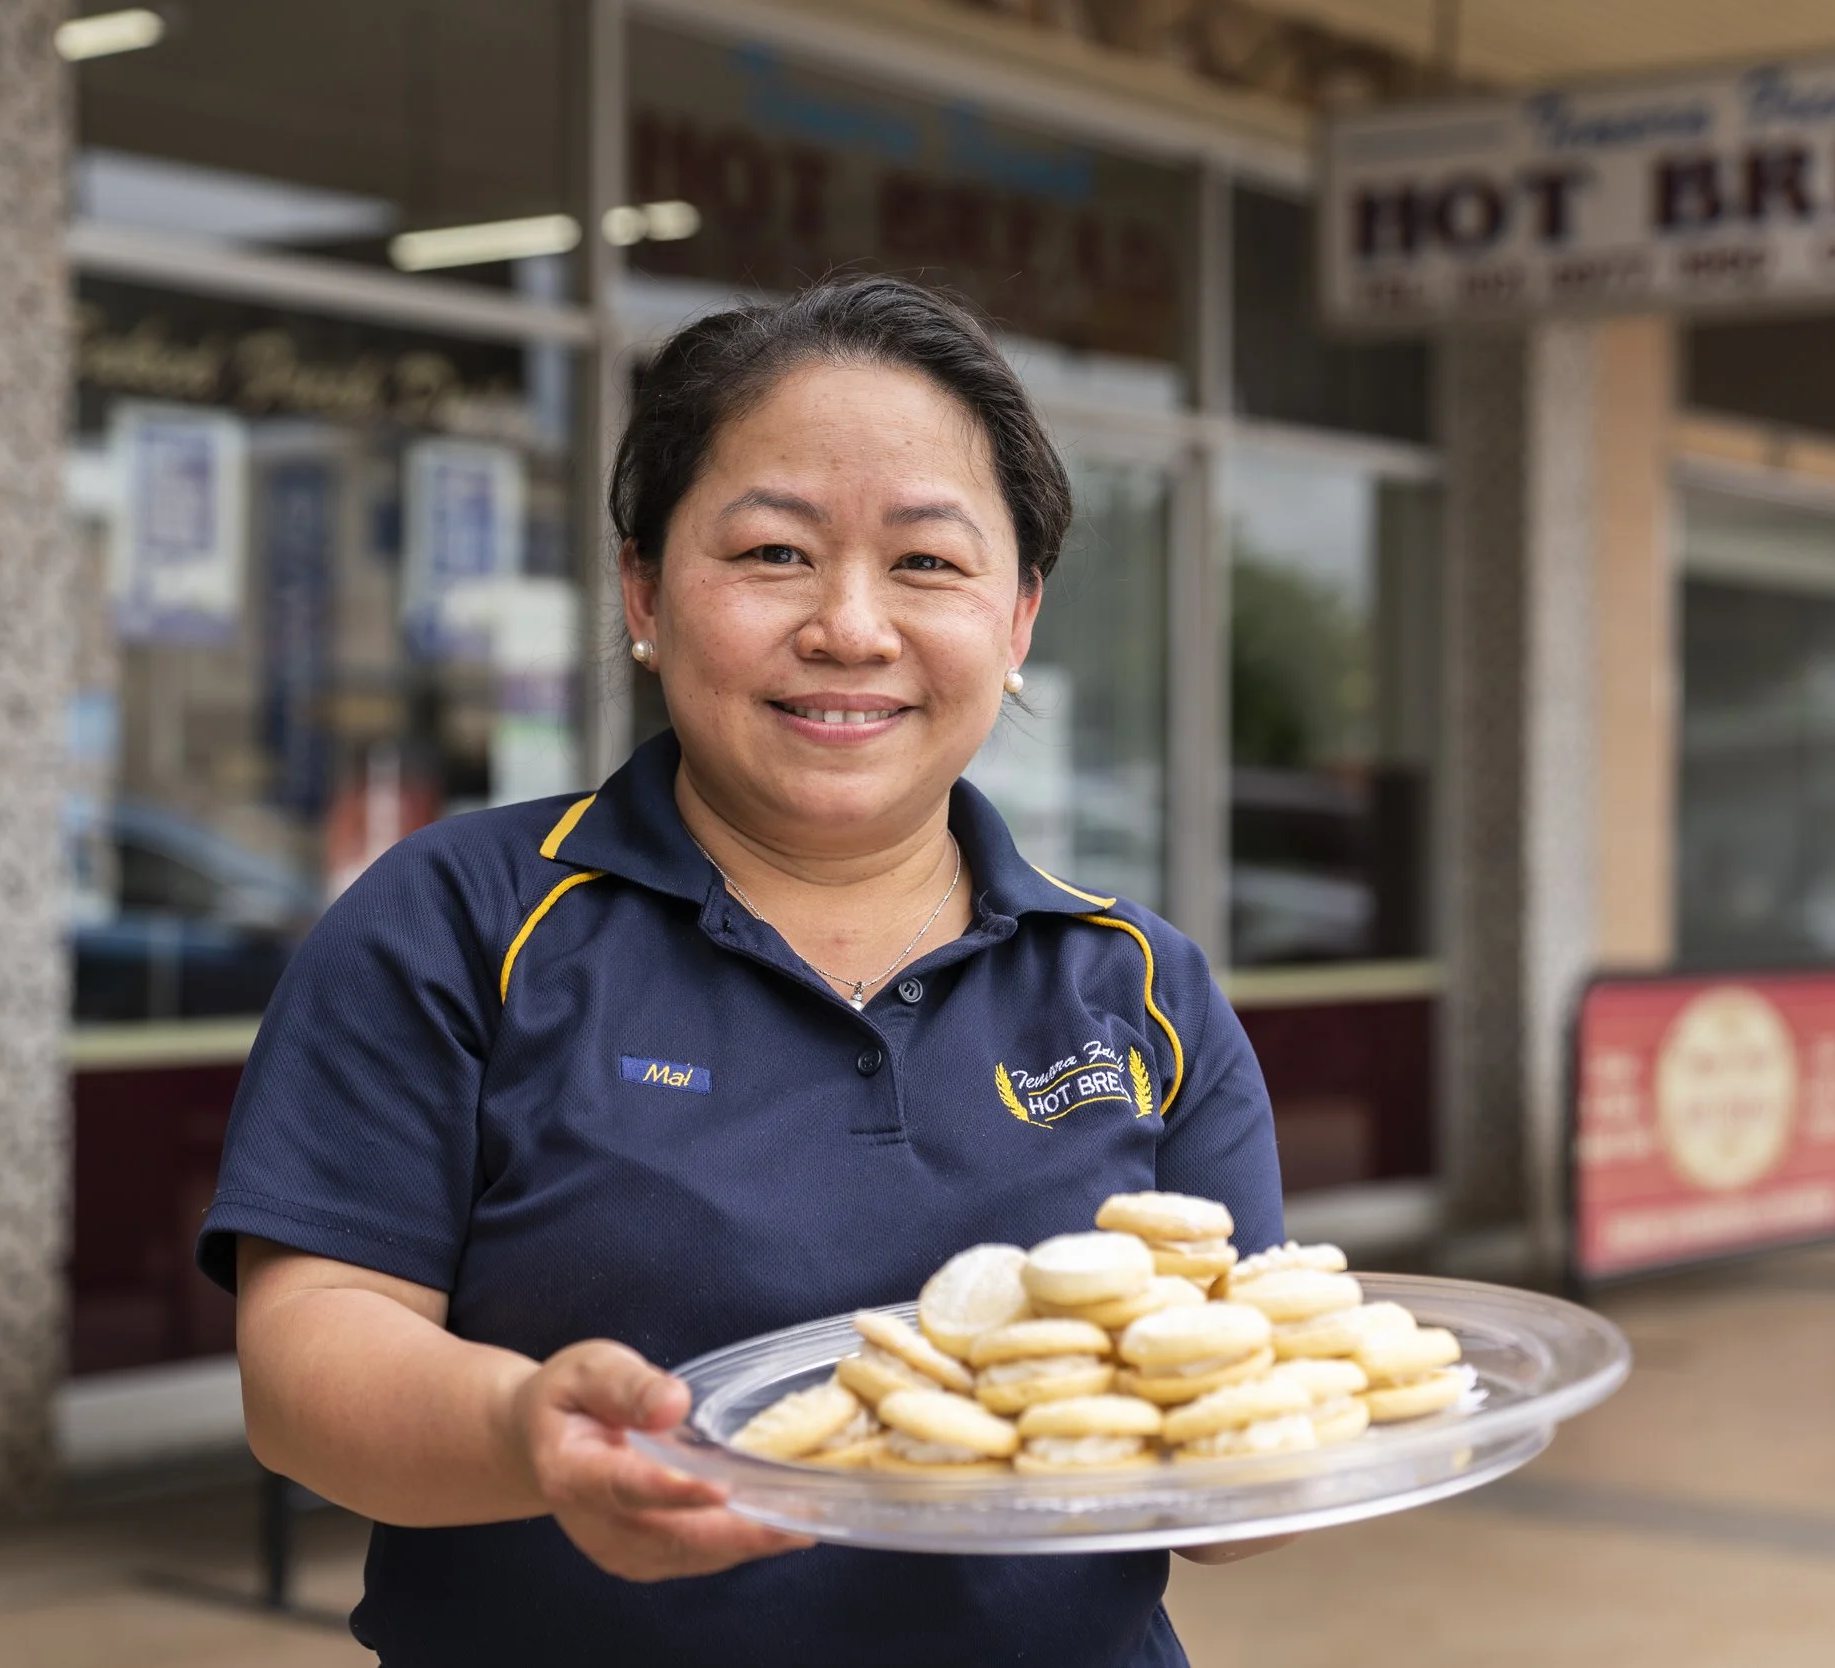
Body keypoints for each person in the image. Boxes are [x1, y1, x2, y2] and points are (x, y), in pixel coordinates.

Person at [200, 276, 1288, 1667]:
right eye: (774, 552)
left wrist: (1310, 1446)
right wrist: (522, 1437)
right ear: (644, 589)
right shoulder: (458, 921)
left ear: (1018, 622)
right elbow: (309, 1365)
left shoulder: (1136, 985)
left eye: (928, 563)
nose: (848, 627)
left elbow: (1240, 1464)